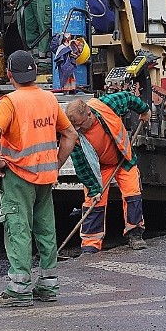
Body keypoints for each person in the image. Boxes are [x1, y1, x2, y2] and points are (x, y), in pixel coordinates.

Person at [0, 50, 78, 308]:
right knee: (46, 230)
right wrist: (56, 163)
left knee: (19, 229)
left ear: (9, 74)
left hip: (17, 176)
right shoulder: (49, 100)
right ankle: (48, 285)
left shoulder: (10, 102)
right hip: (45, 177)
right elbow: (70, 134)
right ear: (35, 73)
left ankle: (19, 290)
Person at [65, 94, 151, 253]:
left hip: (123, 159)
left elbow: (129, 98)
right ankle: (91, 244)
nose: (77, 129)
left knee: (132, 193)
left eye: (79, 124)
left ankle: (135, 234)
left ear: (89, 114)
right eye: (74, 125)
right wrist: (93, 188)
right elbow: (82, 166)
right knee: (93, 201)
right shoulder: (74, 135)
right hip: (100, 167)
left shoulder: (106, 106)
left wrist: (144, 110)